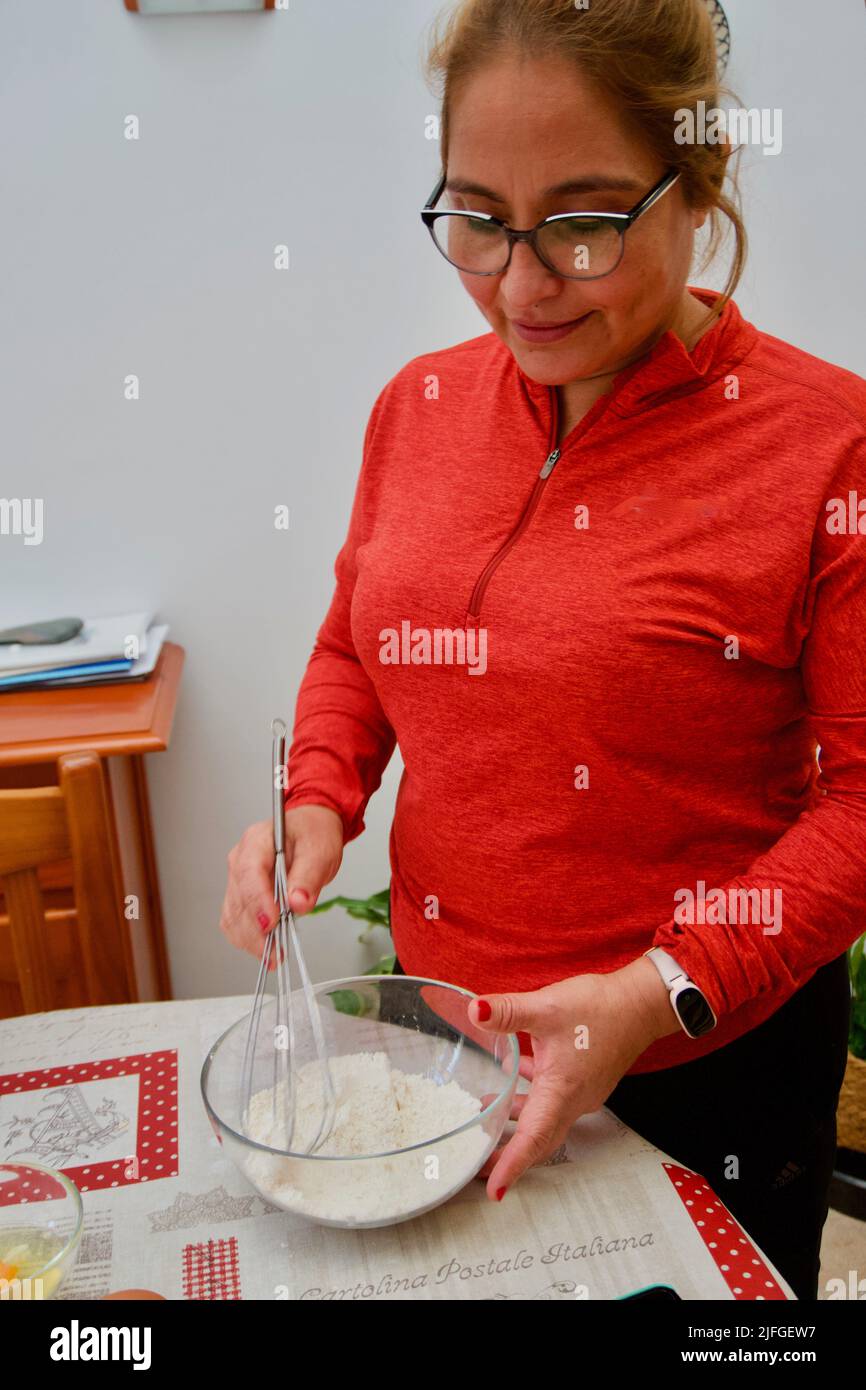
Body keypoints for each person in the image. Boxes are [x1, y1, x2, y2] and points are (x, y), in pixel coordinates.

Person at [219, 0, 864, 1300]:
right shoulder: (418, 404)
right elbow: (357, 636)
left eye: (580, 220)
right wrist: (316, 795)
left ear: (696, 190)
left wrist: (658, 989)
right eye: (475, 216)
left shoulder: (825, 446)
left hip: (699, 1073)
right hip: (439, 1052)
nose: (519, 284)